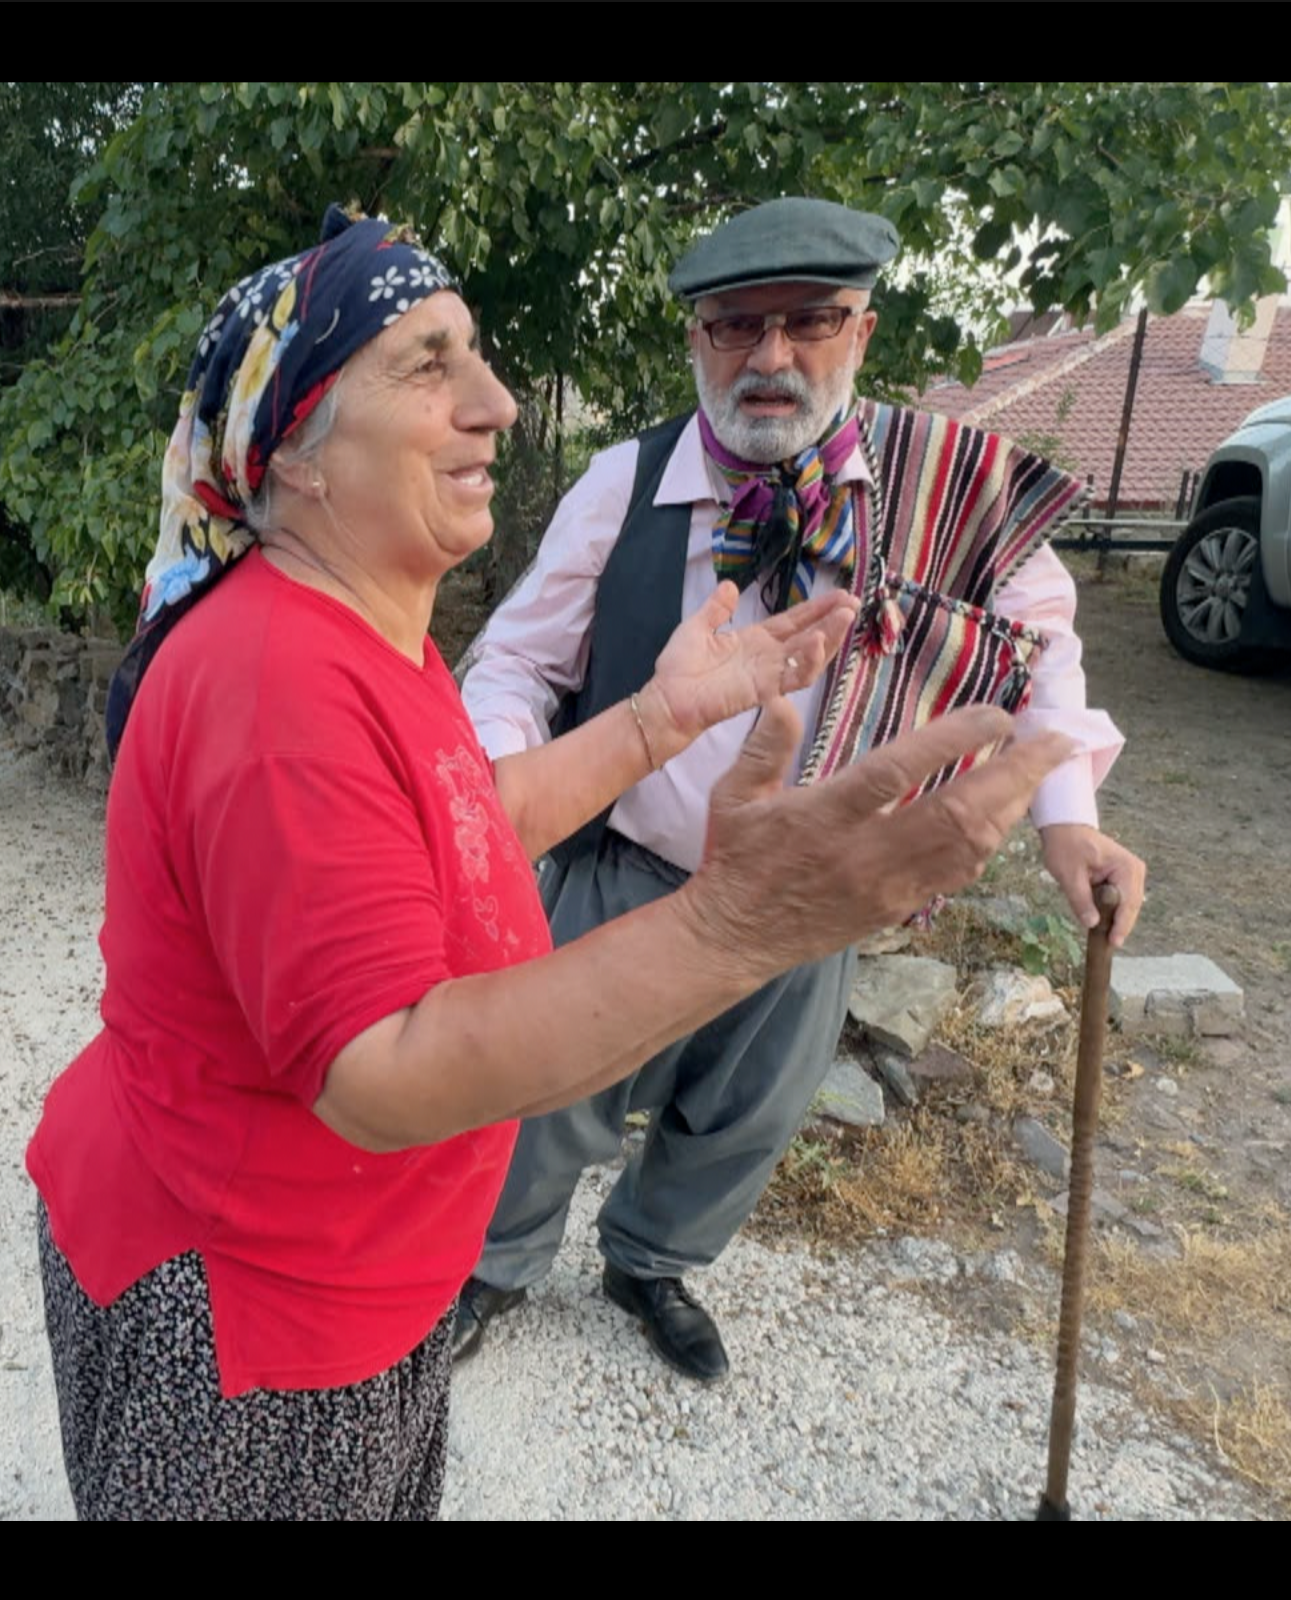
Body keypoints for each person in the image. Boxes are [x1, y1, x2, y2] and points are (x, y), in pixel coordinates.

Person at [24, 206, 1076, 1520]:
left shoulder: (353, 629)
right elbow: (385, 1069)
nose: (501, 403)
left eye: (477, 355)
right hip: (260, 1311)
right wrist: (741, 926)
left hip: (334, 1278)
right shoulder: (279, 681)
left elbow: (456, 824)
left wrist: (653, 720)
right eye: (428, 365)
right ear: (293, 446)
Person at [452, 196, 1148, 1383]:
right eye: (735, 327)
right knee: (545, 1094)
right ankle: (496, 1265)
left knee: (745, 1112)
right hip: (624, 867)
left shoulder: (950, 489)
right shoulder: (626, 481)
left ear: (861, 335)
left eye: (809, 321)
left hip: (810, 898)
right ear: (697, 343)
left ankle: (650, 1261)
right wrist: (506, 798)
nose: (770, 357)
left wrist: (1068, 821)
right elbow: (519, 657)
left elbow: (1045, 656)